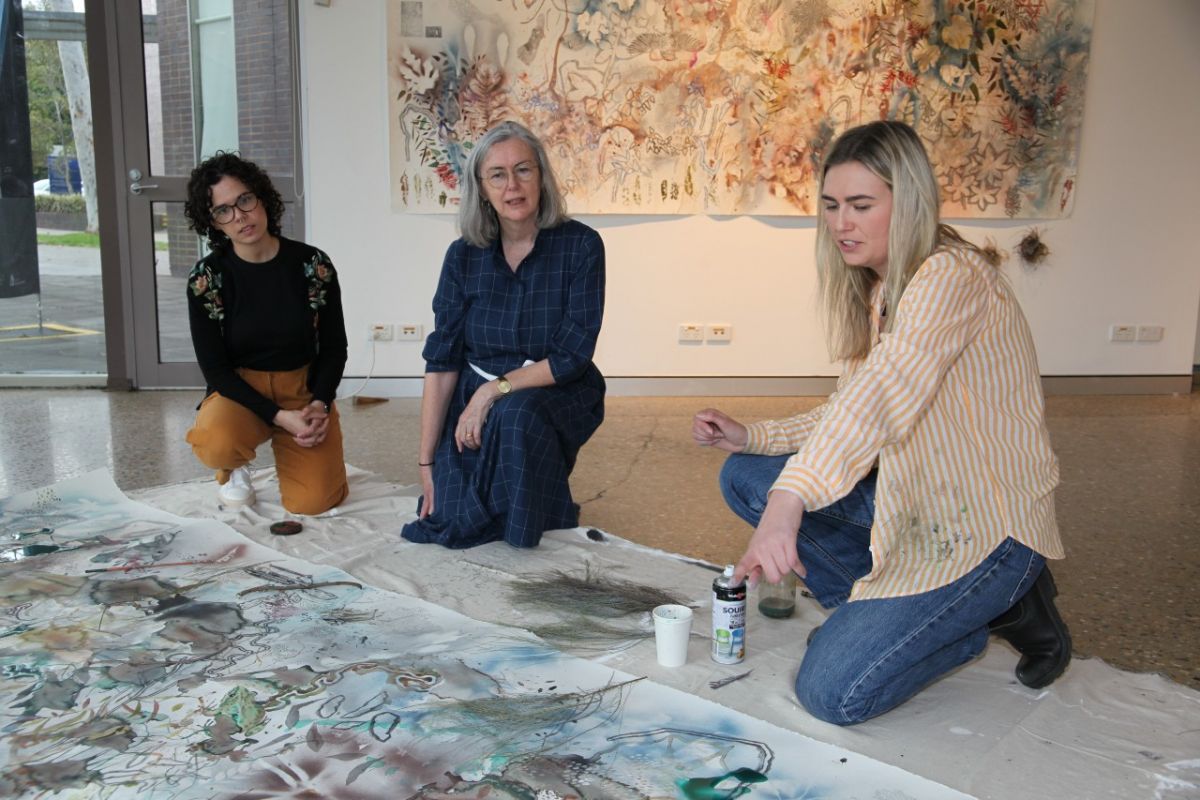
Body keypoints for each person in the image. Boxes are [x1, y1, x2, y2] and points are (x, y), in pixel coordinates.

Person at [692, 121, 1070, 725]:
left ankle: (967, 624)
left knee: (832, 694)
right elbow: (851, 405)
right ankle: (905, 623)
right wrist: (753, 437)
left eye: (862, 206)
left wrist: (790, 501)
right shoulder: (883, 292)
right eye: (832, 206)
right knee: (745, 475)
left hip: (988, 529)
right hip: (919, 504)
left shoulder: (951, 277)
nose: (841, 224)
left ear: (909, 202)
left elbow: (880, 398)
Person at [402, 121, 605, 549]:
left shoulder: (582, 246)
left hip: (554, 387)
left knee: (516, 416)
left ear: (542, 176)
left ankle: (527, 524)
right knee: (451, 520)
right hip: (475, 388)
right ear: (482, 187)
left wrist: (493, 391)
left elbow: (572, 355)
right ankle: (534, 499)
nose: (512, 185)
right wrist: (427, 464)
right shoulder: (462, 256)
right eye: (497, 174)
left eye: (523, 170)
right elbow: (442, 361)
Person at [183, 152, 349, 515]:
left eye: (244, 200)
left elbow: (334, 346)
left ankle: (296, 448)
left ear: (261, 197)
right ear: (214, 223)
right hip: (242, 394)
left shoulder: (313, 265)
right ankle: (234, 467)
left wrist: (320, 403)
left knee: (314, 503)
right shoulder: (206, 280)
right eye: (223, 210)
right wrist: (277, 416)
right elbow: (216, 371)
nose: (240, 216)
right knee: (215, 441)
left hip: (302, 392)